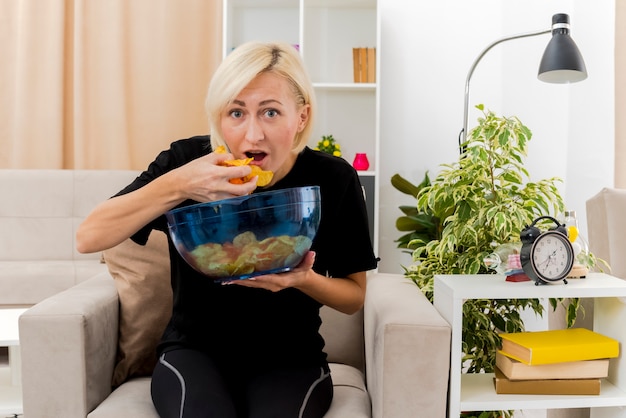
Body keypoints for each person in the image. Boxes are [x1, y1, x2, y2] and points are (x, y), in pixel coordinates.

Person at [77, 40, 378, 418]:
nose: (253, 135)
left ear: (301, 117)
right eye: (236, 112)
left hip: (291, 357)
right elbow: (88, 237)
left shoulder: (333, 178)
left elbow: (353, 297)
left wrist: (302, 280)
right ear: (218, 116)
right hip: (193, 353)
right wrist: (179, 185)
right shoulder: (188, 163)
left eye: (270, 112)